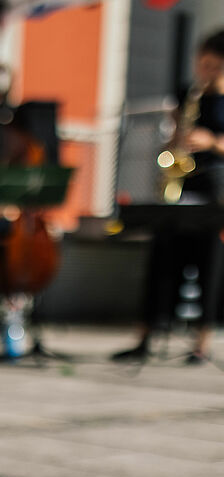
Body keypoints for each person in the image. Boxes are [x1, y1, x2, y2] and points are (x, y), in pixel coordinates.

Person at [114, 29, 224, 364]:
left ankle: (200, 344)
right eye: (202, 64)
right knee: (162, 260)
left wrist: (212, 142)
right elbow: (172, 144)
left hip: (215, 191)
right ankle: (146, 335)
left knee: (209, 266)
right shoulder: (187, 96)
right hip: (183, 186)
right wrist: (175, 138)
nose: (205, 72)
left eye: (213, 66)